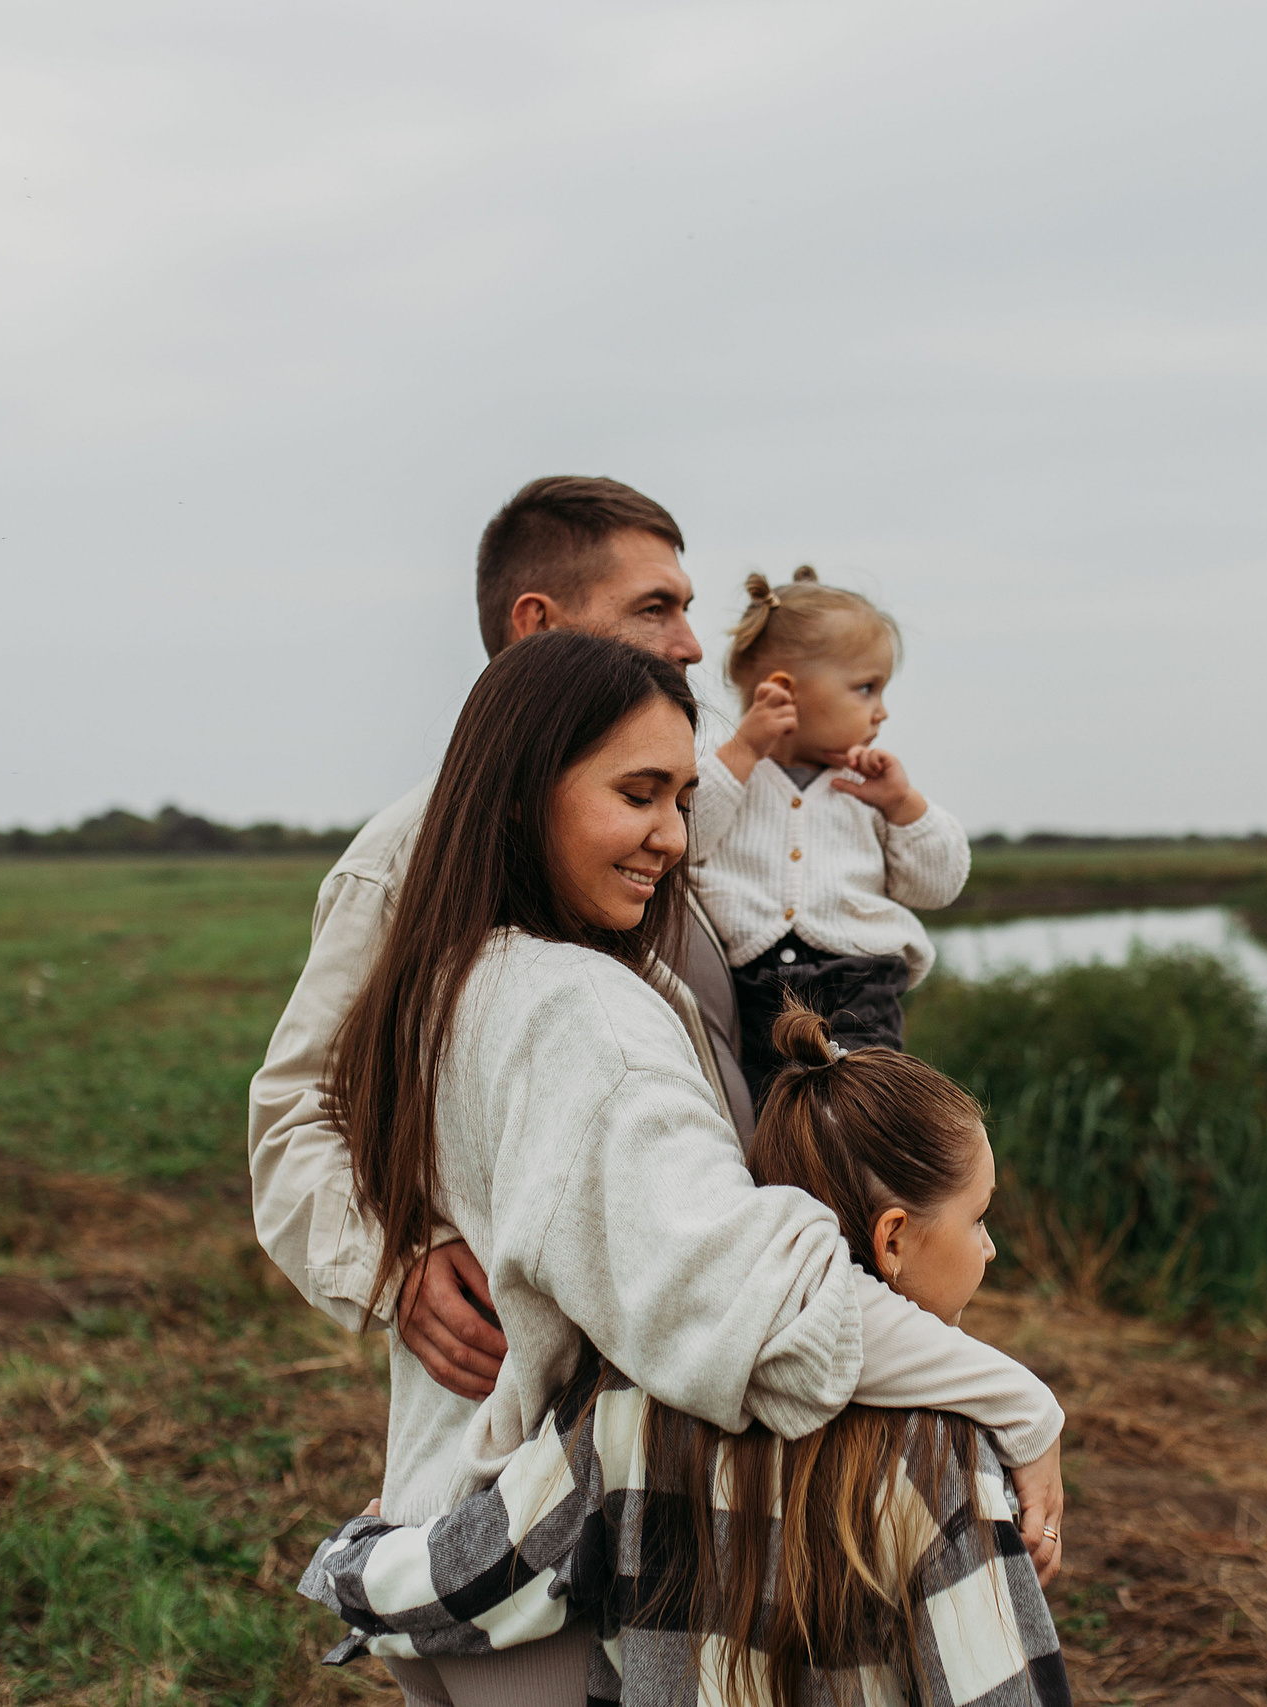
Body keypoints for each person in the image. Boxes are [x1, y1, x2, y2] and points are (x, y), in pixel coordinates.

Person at [278, 628, 1062, 1707]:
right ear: (517, 798)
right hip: (551, 1592)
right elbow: (753, 1305)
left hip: (449, 1535)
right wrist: (1018, 1405)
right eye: (637, 794)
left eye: (685, 798)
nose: (672, 837)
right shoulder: (580, 1014)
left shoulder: (442, 981)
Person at [300, 1006, 1069, 1707]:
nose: (991, 1247)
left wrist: (353, 1556)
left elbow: (482, 1578)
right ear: (893, 1237)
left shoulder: (630, 1406)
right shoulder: (945, 1453)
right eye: (979, 1217)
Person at [250, 477, 754, 1405]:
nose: (690, 642)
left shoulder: (683, 814)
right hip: (535, 1405)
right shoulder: (405, 860)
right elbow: (298, 1114)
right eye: (656, 607)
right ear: (538, 624)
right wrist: (394, 1264)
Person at [691, 565, 970, 1104]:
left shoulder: (870, 787)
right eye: (866, 688)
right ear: (783, 690)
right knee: (772, 1114)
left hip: (860, 980)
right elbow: (686, 839)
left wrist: (903, 806)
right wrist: (744, 752)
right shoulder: (726, 770)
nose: (881, 711)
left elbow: (937, 886)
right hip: (754, 989)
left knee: (864, 1113)